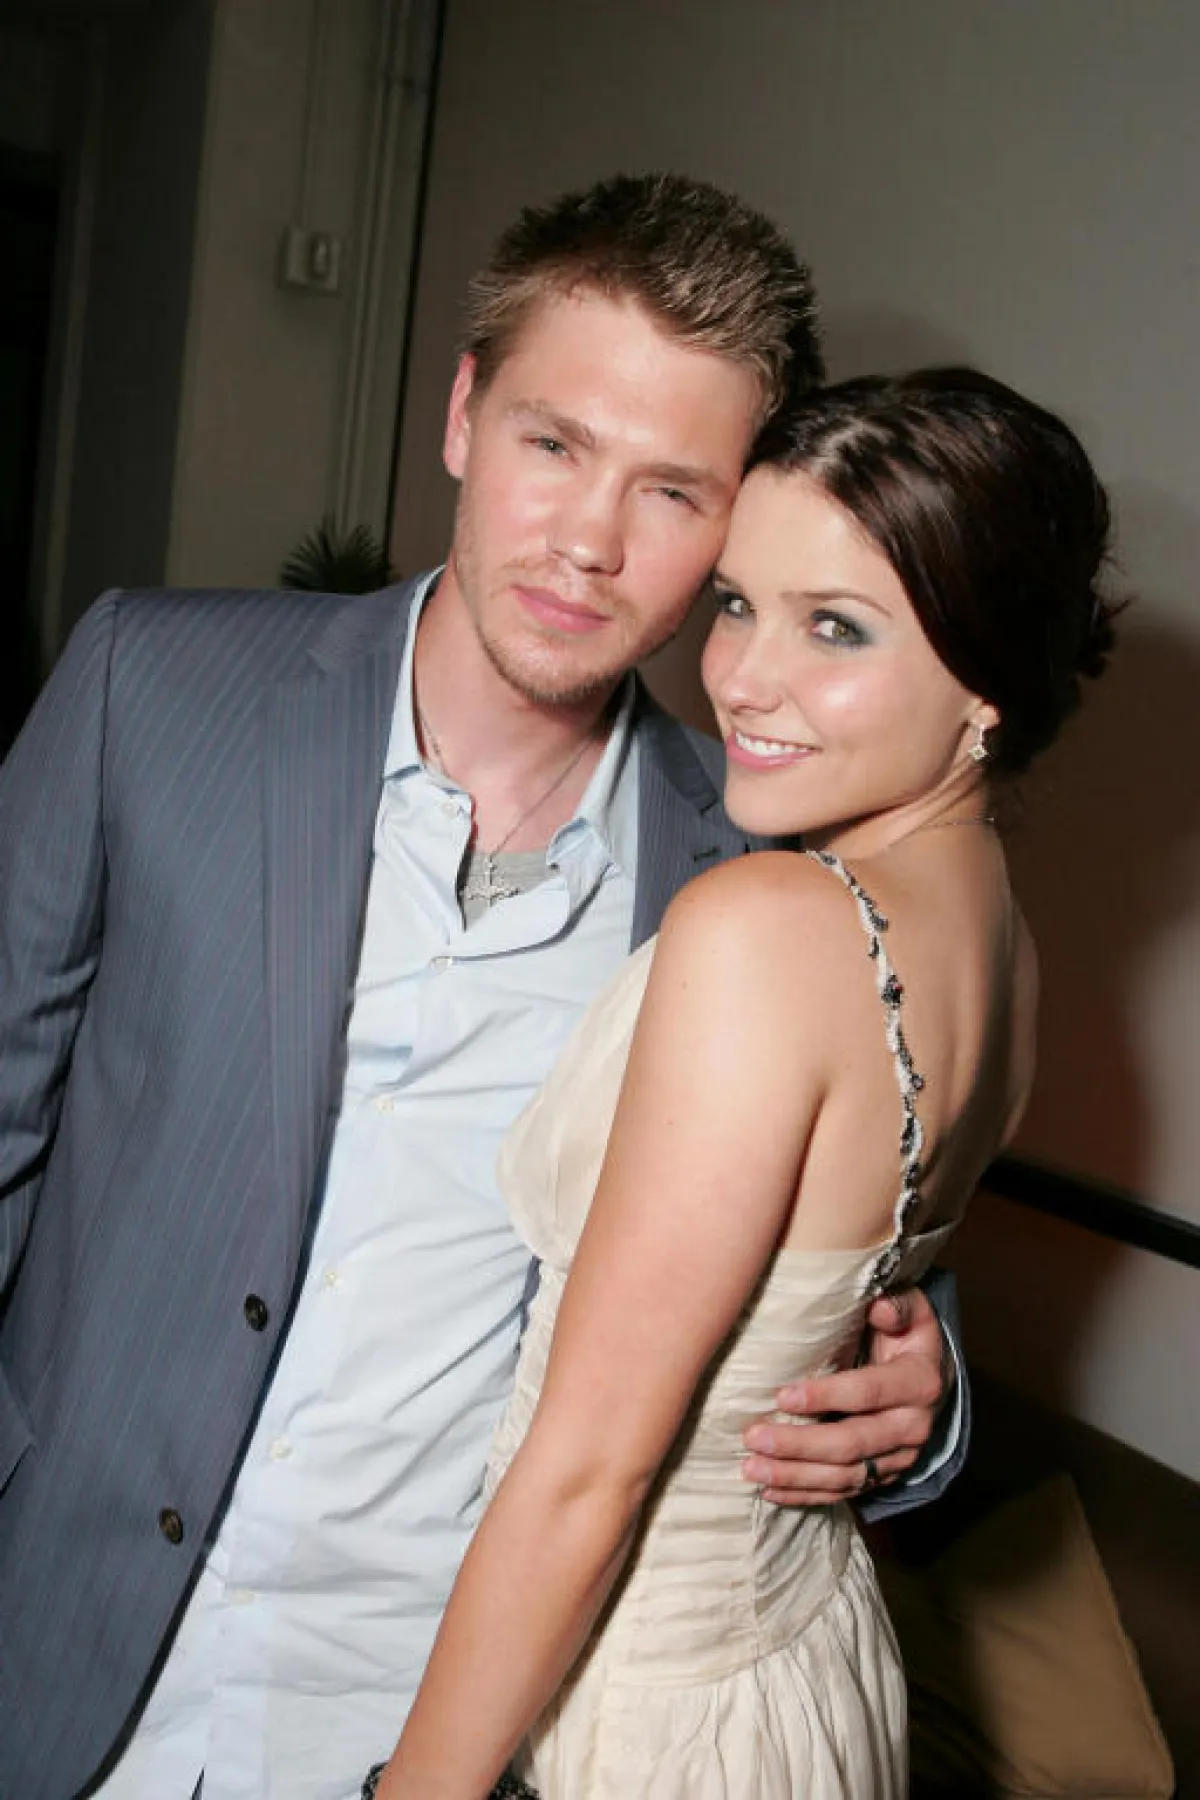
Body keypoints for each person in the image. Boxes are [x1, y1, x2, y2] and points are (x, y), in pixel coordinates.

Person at [0, 176, 957, 1800]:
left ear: (738, 525)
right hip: (53, 1644)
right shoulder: (148, 687)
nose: (590, 541)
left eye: (674, 490)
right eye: (553, 443)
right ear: (461, 416)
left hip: (429, 1728)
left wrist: (924, 1397)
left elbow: (877, 1259)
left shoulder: (764, 887)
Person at [370, 366, 1118, 1800]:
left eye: (834, 626)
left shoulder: (765, 929)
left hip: (646, 1708)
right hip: (805, 1669)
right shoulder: (1007, 947)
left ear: (984, 682)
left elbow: (589, 1475)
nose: (740, 681)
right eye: (736, 603)